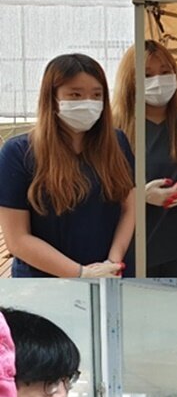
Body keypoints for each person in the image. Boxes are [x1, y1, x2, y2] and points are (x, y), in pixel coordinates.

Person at [0, 55, 135, 280]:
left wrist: (113, 261)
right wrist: (80, 273)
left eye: (96, 95)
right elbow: (17, 239)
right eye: (75, 94)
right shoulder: (18, 153)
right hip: (43, 283)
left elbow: (130, 207)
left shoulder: (117, 142)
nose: (88, 102)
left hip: (110, 275)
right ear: (51, 98)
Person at [112, 42, 177, 279]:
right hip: (132, 245)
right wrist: (140, 195)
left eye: (165, 71)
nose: (158, 81)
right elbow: (97, 188)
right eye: (147, 75)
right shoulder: (113, 127)